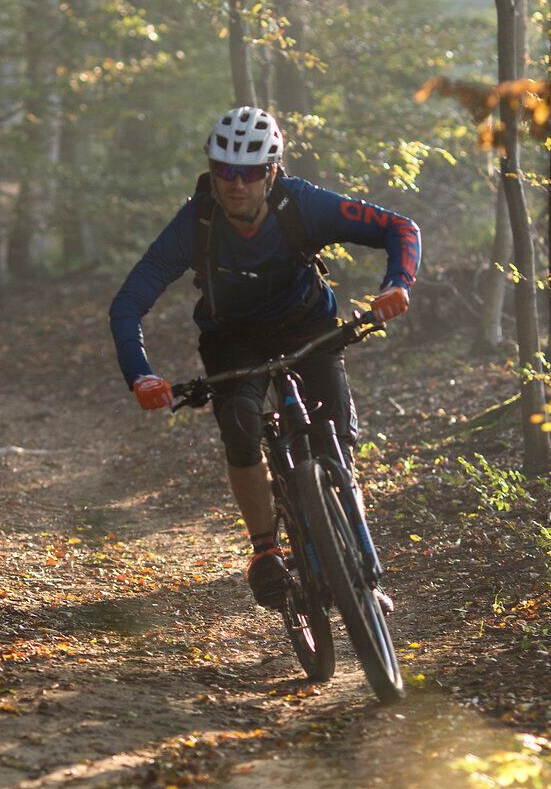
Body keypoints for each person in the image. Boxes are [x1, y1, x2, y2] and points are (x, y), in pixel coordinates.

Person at [109, 105, 421, 607]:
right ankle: (265, 551)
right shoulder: (197, 223)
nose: (237, 184)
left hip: (307, 327)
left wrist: (397, 285)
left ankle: (364, 576)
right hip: (233, 337)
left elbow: (400, 228)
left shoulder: (301, 206)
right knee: (240, 424)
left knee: (336, 439)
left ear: (271, 171)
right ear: (212, 171)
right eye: (225, 170)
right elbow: (128, 303)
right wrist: (139, 374)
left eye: (251, 172)